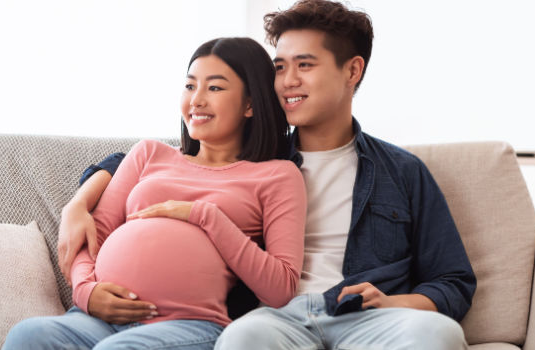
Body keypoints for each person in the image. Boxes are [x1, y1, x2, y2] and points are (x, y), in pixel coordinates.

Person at [57, 1, 477, 349]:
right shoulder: (260, 157)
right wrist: (80, 199)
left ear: (352, 71)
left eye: (305, 65)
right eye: (279, 67)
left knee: (439, 334)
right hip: (274, 318)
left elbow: (454, 280)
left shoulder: (401, 172)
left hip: (365, 317)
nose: (287, 81)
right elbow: (166, 159)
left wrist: (396, 302)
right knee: (241, 340)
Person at [3, 37, 307, 350]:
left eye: (214, 88)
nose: (196, 100)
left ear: (250, 104)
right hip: (97, 320)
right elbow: (97, 234)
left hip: (187, 325)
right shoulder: (148, 154)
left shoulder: (277, 176)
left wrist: (203, 215)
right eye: (190, 86)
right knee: (26, 336)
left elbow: (280, 287)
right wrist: (86, 292)